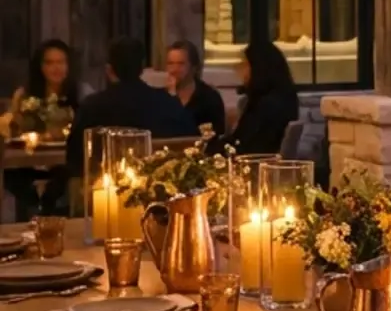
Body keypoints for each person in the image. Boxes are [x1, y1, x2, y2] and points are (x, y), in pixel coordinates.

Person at [66, 36, 197, 179]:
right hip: (158, 184)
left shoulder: (91, 106)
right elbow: (190, 142)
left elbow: (74, 158)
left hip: (104, 185)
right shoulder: (168, 103)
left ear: (109, 70)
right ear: (141, 69)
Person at [4, 39, 83, 219]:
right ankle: (32, 210)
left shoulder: (79, 93)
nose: (56, 68)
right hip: (29, 158)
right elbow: (13, 128)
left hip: (64, 160)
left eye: (61, 62)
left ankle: (49, 212)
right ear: (40, 67)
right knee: (12, 175)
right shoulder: (24, 95)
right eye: (49, 63)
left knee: (68, 174)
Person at [221, 39, 300, 157]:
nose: (240, 70)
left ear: (258, 68)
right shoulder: (284, 97)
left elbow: (246, 146)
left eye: (245, 64)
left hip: (256, 162)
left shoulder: (267, 106)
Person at [165, 39, 228, 139]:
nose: (174, 70)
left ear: (194, 67)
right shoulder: (161, 97)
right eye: (170, 64)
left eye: (181, 64)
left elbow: (215, 134)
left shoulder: (209, 98)